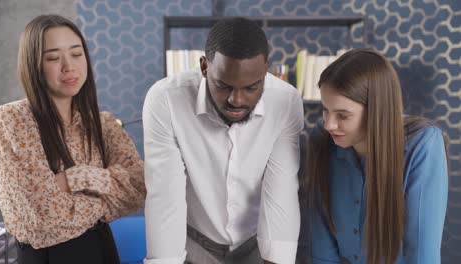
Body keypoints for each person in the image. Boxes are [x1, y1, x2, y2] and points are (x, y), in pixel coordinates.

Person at [143, 17, 303, 264]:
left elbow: (281, 193)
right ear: (204, 66)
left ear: (266, 70)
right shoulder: (165, 100)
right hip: (193, 242)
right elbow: (165, 199)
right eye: (223, 86)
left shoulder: (286, 101)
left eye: (251, 87)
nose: (237, 100)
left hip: (255, 242)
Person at [0, 14, 146, 264]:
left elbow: (138, 187)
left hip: (102, 247)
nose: (69, 67)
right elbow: (42, 217)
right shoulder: (13, 119)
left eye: (76, 54)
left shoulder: (104, 122)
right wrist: (104, 198)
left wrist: (75, 177)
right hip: (46, 256)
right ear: (33, 64)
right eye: (53, 58)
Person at [304, 48, 448, 264]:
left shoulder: (423, 144)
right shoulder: (322, 138)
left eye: (343, 115)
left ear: (377, 111)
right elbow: (322, 246)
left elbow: (421, 253)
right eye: (325, 110)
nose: (329, 124)